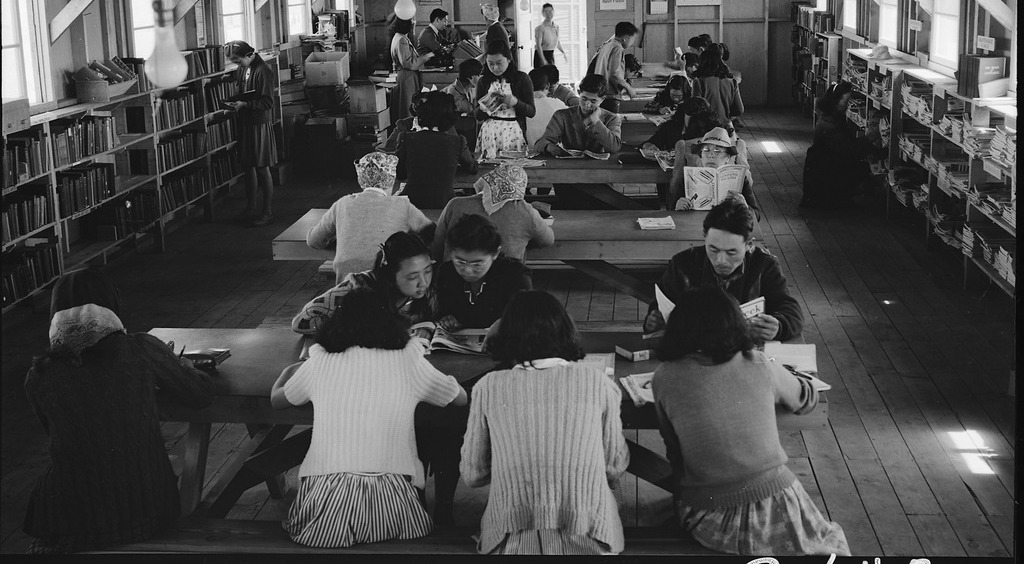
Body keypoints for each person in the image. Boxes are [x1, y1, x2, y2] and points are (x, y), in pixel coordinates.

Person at [23, 268, 216, 554]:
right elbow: (200, 394)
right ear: (110, 306)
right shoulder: (140, 348)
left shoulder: (38, 375)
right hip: (145, 509)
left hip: (68, 519)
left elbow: (59, 432)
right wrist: (185, 369)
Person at [653, 285, 849, 556]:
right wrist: (798, 381)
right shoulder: (756, 363)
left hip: (708, 516)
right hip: (777, 502)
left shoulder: (664, 377)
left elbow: (675, 451)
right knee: (830, 542)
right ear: (736, 325)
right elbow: (806, 400)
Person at [275, 289, 468, 548]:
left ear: (340, 321)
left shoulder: (320, 360)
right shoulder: (408, 359)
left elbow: (277, 400)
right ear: (392, 320)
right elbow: (460, 398)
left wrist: (290, 370)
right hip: (396, 508)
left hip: (325, 505)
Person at [461, 290, 630, 555]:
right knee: (612, 488)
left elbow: (473, 474)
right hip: (591, 538)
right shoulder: (598, 383)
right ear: (566, 330)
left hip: (510, 540)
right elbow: (614, 466)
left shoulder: (488, 388)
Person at [643, 198, 802, 339]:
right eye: (713, 249)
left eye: (731, 252)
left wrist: (779, 326)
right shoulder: (682, 264)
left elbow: (791, 312)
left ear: (749, 245)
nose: (721, 260)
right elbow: (659, 308)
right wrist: (654, 321)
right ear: (705, 237)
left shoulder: (765, 266)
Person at [305, 152, 433, 284]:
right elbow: (430, 232)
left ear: (361, 179)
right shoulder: (402, 204)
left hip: (347, 281)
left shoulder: (342, 203)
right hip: (386, 279)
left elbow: (314, 241)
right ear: (391, 179)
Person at [292, 231, 438, 335]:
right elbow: (300, 322)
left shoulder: (425, 292)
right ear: (391, 275)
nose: (423, 282)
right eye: (413, 277)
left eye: (427, 271)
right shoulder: (355, 289)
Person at [533, 74, 623, 209]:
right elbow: (540, 144)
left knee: (602, 209)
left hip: (600, 178)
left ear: (602, 100)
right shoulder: (562, 115)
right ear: (579, 93)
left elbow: (614, 146)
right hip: (569, 177)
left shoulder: (612, 119)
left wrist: (595, 120)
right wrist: (552, 148)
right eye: (584, 98)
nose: (587, 104)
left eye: (593, 101)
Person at [433, 163, 554, 262]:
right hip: (506, 280)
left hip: (454, 277)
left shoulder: (455, 205)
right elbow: (548, 240)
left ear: (490, 181)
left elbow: (437, 247)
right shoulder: (527, 212)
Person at [436, 213, 532, 331]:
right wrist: (447, 319)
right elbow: (441, 311)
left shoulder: (515, 275)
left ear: (495, 253)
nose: (468, 271)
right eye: (460, 262)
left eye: (477, 264)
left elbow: (525, 319)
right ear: (451, 253)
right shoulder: (446, 273)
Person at [801, 80, 882, 209]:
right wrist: (873, 137)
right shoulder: (829, 124)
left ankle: (841, 196)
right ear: (835, 102)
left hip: (826, 166)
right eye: (845, 102)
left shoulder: (831, 117)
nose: (847, 106)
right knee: (862, 170)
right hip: (825, 172)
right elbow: (849, 150)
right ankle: (838, 197)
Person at [225, 41, 277, 226]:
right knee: (248, 166)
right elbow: (243, 92)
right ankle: (251, 208)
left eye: (238, 61)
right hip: (247, 122)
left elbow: (268, 102)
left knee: (262, 167)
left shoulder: (263, 71)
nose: (237, 65)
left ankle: (267, 211)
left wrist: (246, 105)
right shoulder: (243, 69)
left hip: (259, 124)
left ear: (249, 55)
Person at [396, 91, 478, 209]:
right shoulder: (457, 142)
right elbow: (472, 168)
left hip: (411, 204)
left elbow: (401, 174)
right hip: (444, 204)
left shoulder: (405, 138)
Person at [669, 126, 759, 215]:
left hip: (729, 227)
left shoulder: (741, 180)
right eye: (706, 150)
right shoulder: (688, 179)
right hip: (696, 227)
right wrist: (677, 207)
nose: (711, 155)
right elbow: (671, 210)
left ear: (727, 158)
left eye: (717, 150)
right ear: (701, 156)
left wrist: (745, 207)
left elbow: (756, 215)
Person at [475, 41, 535, 160]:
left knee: (513, 168)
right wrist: (483, 108)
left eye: (499, 63)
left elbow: (531, 111)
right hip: (489, 132)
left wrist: (516, 102)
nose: (495, 68)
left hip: (513, 131)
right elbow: (477, 115)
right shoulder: (483, 81)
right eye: (490, 64)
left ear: (508, 59)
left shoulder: (522, 79)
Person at [390, 16, 435, 123]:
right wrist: (426, 57)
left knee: (405, 107)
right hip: (407, 78)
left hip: (405, 77)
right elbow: (409, 63)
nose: (413, 26)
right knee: (407, 109)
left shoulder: (399, 37)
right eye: (412, 24)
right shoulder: (402, 40)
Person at [589, 22, 639, 112]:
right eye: (632, 39)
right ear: (625, 38)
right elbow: (614, 73)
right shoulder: (618, 48)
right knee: (612, 124)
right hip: (610, 96)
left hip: (600, 93)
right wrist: (628, 88)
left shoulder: (607, 45)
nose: (632, 42)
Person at [641, 96, 718, 152]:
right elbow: (648, 143)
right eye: (690, 118)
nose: (693, 124)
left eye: (697, 120)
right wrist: (648, 147)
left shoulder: (713, 131)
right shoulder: (672, 126)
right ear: (684, 114)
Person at [692, 43, 744, 123]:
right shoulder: (732, 82)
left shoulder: (699, 81)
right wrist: (726, 115)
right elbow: (739, 110)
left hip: (705, 128)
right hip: (725, 127)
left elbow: (695, 108)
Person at [525, 68, 567, 147]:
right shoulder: (557, 104)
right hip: (551, 153)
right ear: (547, 85)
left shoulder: (519, 105)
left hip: (525, 153)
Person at [533, 3, 565, 68]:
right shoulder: (540, 28)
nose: (549, 13)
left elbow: (557, 42)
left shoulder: (556, 27)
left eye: (550, 11)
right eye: (546, 11)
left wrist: (563, 52)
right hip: (541, 55)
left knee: (552, 76)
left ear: (553, 12)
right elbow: (538, 45)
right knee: (542, 77)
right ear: (543, 13)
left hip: (551, 54)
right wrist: (543, 60)